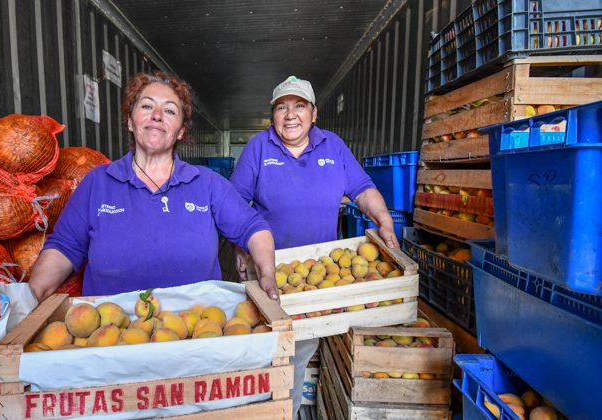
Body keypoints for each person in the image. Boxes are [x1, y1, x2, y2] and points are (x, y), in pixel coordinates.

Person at [28, 71, 279, 302]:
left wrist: (267, 273)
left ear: (180, 131)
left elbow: (252, 227)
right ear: (130, 120)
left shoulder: (206, 183)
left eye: (169, 111)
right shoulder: (98, 183)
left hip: (196, 331)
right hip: (113, 336)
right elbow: (64, 247)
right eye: (147, 106)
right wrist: (32, 296)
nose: (157, 115)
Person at [229, 75, 398, 414]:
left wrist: (385, 220)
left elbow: (363, 189)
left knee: (296, 356)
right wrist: (239, 247)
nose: (290, 115)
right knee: (260, 355)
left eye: (299, 106)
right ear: (272, 115)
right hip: (267, 271)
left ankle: (283, 414)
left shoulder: (333, 147)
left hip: (313, 280)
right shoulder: (258, 148)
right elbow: (233, 203)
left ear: (314, 113)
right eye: (281, 108)